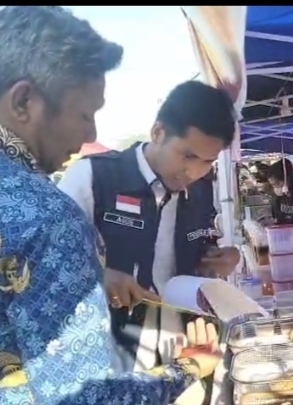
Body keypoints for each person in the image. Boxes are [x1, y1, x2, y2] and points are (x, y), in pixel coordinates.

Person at [0, 6, 220, 404]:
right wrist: (188, 368)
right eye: (85, 114)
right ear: (23, 101)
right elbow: (86, 397)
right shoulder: (47, 218)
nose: (91, 133)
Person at [58, 80, 240, 375]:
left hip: (183, 345)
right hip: (108, 350)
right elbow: (48, 263)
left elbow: (201, 247)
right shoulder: (93, 177)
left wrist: (224, 258)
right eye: (188, 155)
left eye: (207, 161)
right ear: (158, 133)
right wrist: (99, 276)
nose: (193, 171)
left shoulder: (203, 189)